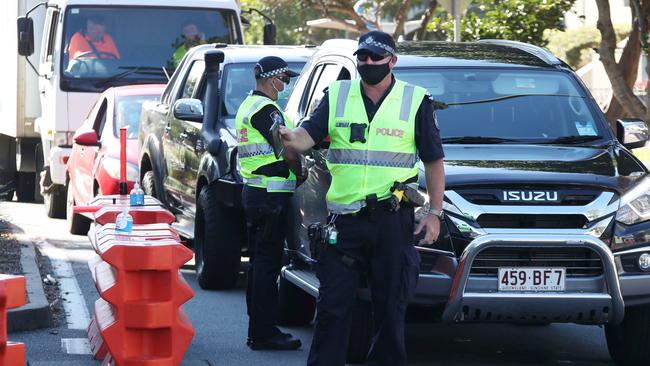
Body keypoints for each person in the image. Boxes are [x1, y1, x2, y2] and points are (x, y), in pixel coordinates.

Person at [279, 31, 445, 366]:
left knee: (390, 310)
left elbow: (433, 160)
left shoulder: (415, 100)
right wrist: (289, 138)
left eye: (375, 57)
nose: (367, 63)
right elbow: (307, 136)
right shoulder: (338, 94)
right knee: (332, 307)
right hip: (345, 222)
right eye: (363, 57)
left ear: (392, 61)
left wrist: (434, 212)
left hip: (392, 219)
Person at [236, 56, 306, 351]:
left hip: (257, 192)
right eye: (284, 79)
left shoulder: (248, 105)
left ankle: (258, 328)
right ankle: (264, 333)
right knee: (267, 265)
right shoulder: (266, 109)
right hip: (270, 196)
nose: (285, 85)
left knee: (259, 264)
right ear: (270, 78)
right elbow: (288, 148)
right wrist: (300, 171)